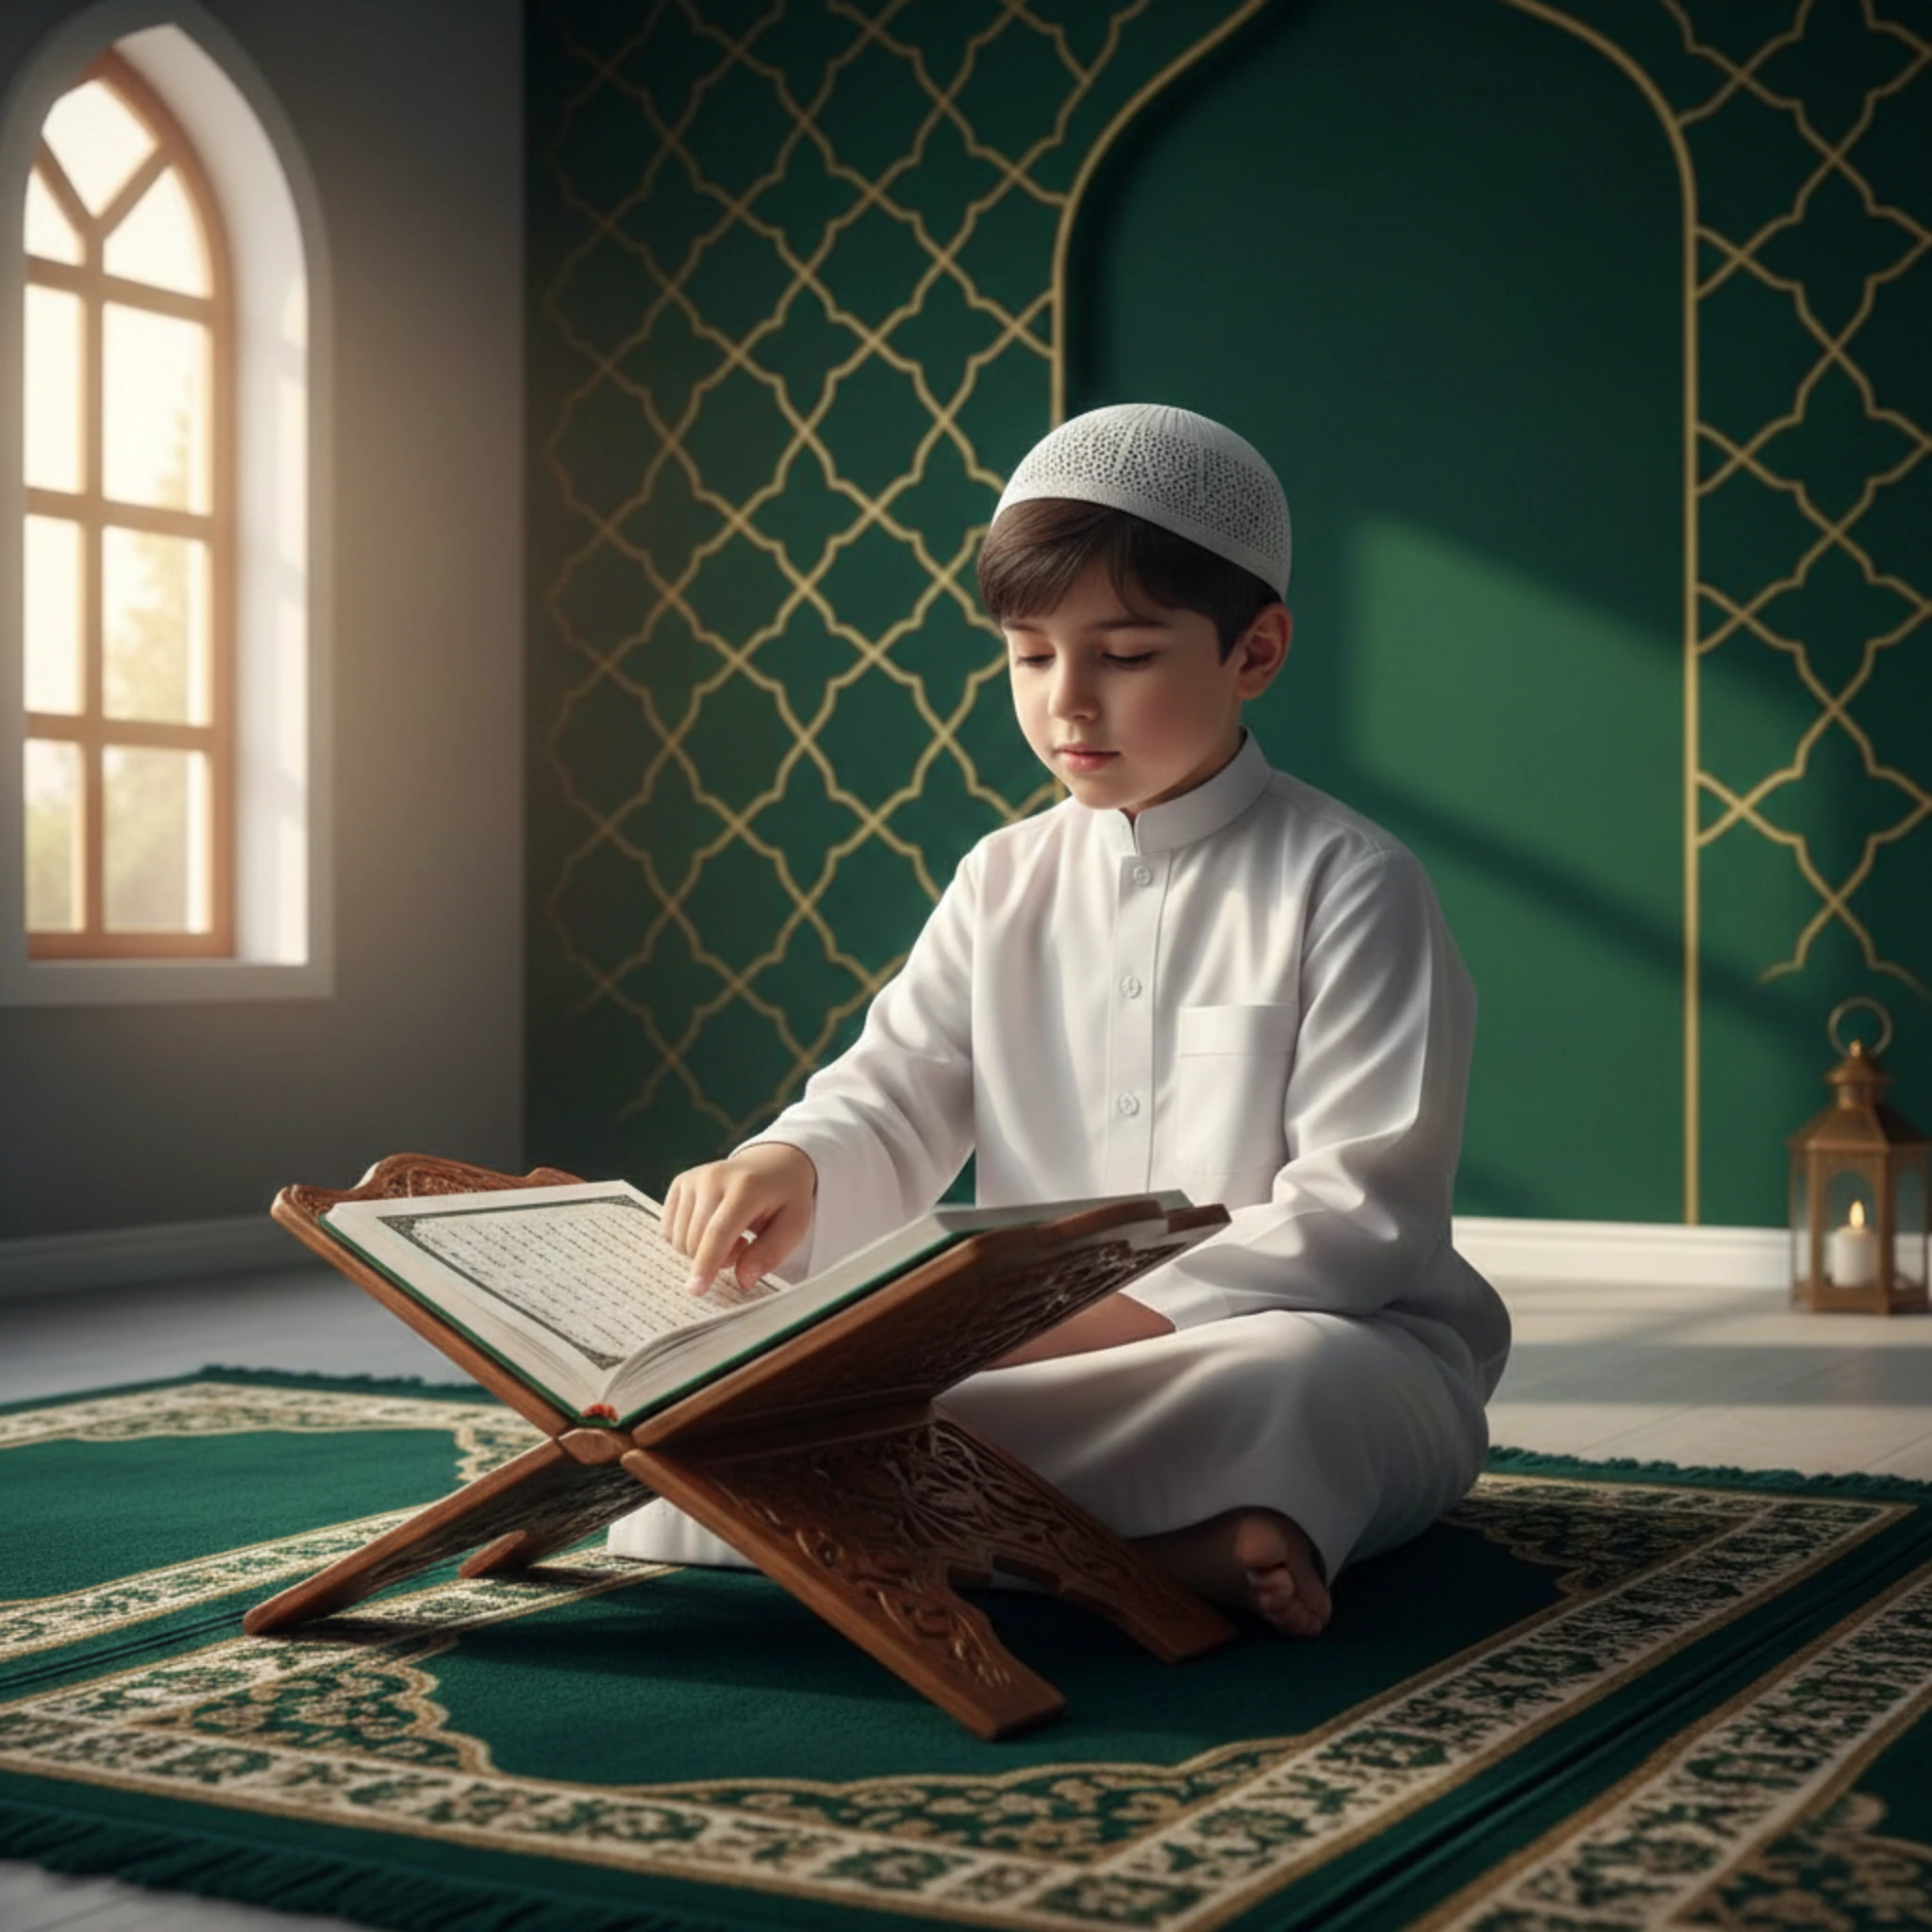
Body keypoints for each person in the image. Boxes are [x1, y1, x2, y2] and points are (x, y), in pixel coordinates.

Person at [608, 403, 1510, 1636]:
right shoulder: (1003, 878)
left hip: (1286, 1340)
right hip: (1011, 1353)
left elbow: (1360, 1216)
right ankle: (1167, 1543)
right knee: (740, 1410)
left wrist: (1056, 1331)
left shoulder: (1353, 881)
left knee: (1299, 1392)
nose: (1068, 703)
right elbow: (894, 1089)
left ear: (1255, 651)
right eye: (1031, 657)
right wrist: (790, 1163)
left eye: (1124, 656)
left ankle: (968, 1529)